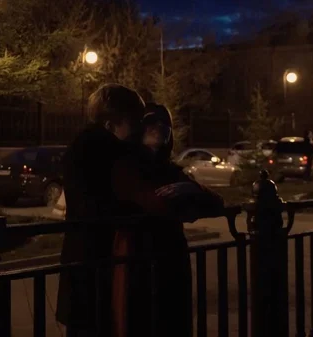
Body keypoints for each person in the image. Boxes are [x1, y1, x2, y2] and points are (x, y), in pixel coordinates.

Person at [111, 103, 224, 337]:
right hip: (139, 258)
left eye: (165, 124)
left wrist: (190, 189)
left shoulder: (171, 170)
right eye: (152, 121)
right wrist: (186, 204)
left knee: (174, 321)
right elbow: (157, 203)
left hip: (171, 257)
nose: (160, 127)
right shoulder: (126, 166)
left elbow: (217, 203)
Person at [56, 83, 148, 337]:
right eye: (134, 120)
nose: (140, 128)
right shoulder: (106, 152)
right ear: (111, 124)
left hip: (86, 263)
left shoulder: (87, 147)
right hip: (96, 264)